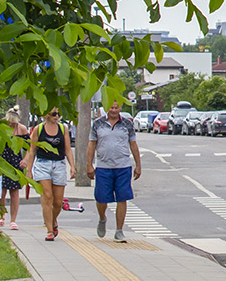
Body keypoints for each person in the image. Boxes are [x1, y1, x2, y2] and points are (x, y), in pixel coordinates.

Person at [87, 100, 143, 241]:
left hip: (123, 166)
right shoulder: (98, 124)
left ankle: (119, 230)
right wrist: (89, 165)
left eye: (116, 107)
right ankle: (102, 218)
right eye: (111, 107)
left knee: (122, 198)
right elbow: (92, 144)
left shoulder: (127, 124)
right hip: (103, 167)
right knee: (101, 198)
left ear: (121, 108)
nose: (113, 110)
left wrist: (138, 165)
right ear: (106, 108)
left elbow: (133, 144)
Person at [22, 107, 76, 241]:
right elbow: (32, 150)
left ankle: (52, 220)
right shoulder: (38, 129)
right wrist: (29, 170)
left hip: (59, 164)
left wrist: (72, 167)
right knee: (47, 196)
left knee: (58, 202)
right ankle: (50, 230)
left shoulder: (63, 129)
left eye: (58, 114)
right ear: (46, 115)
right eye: (53, 114)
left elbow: (68, 149)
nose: (56, 116)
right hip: (42, 164)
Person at [0, 108, 30, 230]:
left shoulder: (22, 129)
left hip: (15, 161)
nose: (11, 125)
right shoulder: (1, 126)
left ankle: (13, 220)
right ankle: (1, 215)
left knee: (14, 191)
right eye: (9, 122)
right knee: (1, 190)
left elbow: (29, 147)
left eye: (13, 123)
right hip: (2, 161)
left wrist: (25, 160)